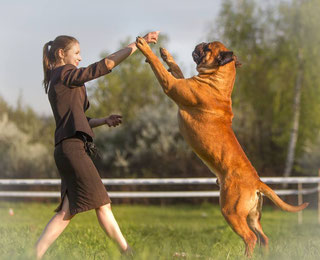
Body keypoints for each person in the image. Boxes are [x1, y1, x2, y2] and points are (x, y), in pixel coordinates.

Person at [35, 31, 159, 259]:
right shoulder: (64, 73)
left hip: (66, 148)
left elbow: (79, 117)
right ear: (61, 54)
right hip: (72, 149)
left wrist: (104, 120)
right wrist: (135, 46)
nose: (80, 58)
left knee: (67, 210)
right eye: (77, 53)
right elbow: (103, 66)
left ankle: (34, 254)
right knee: (103, 203)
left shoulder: (58, 79)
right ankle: (127, 252)